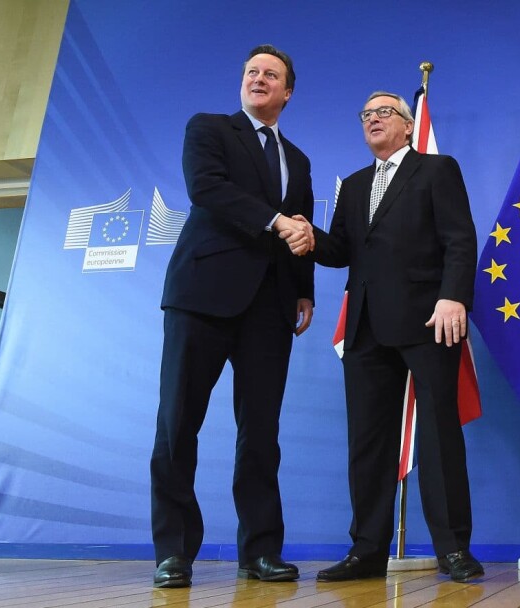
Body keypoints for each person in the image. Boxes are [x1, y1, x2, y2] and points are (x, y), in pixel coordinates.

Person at [284, 91, 484, 583]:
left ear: (407, 124)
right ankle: (367, 552)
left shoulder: (437, 170)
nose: (373, 119)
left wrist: (453, 296)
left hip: (429, 320)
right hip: (366, 328)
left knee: (438, 437)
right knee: (368, 442)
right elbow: (341, 250)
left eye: (384, 112)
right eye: (366, 115)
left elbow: (460, 237)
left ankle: (453, 550)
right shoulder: (353, 186)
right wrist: (309, 237)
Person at [150, 44, 314, 588]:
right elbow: (208, 190)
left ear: (287, 92)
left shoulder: (300, 159)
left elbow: (303, 226)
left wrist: (303, 290)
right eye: (251, 71)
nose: (259, 78)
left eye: (271, 74)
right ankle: (174, 553)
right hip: (203, 293)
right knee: (179, 423)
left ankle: (261, 551)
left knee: (261, 432)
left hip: (270, 308)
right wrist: (274, 221)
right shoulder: (210, 128)